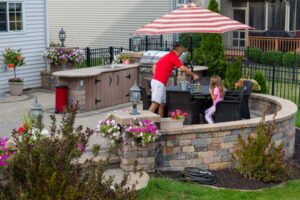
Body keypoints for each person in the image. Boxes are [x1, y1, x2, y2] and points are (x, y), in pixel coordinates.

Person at [149, 43, 199, 117]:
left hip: (160, 82)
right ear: (178, 51)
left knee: (162, 104)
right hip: (158, 82)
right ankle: (145, 124)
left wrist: (156, 75)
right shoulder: (173, 56)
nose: (181, 55)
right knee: (155, 104)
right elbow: (182, 68)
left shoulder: (168, 55)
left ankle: (160, 122)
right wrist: (193, 74)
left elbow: (155, 65)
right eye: (181, 53)